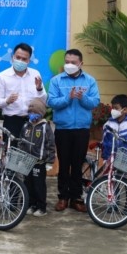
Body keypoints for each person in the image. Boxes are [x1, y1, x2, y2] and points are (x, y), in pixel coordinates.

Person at [47, 48, 100, 213]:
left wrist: (82, 97)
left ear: (81, 63)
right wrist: (68, 98)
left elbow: (94, 102)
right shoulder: (56, 80)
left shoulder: (90, 81)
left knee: (78, 164)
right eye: (67, 62)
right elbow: (51, 102)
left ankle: (76, 198)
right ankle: (63, 197)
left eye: (73, 62)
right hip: (63, 129)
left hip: (82, 129)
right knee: (64, 164)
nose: (69, 65)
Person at [0, 42, 47, 139]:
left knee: (32, 148)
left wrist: (39, 89)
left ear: (29, 60)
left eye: (24, 59)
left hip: (33, 121)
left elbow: (43, 100)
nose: (20, 61)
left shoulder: (35, 74)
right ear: (12, 57)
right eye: (18, 57)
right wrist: (7, 101)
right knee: (11, 148)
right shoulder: (2, 76)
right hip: (12, 122)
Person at [18, 98, 55, 217]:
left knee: (39, 185)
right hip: (27, 161)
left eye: (34, 112)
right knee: (28, 184)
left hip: (39, 162)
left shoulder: (45, 127)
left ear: (40, 114)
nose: (32, 114)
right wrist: (20, 157)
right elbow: (21, 142)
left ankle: (41, 207)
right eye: (30, 112)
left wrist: (49, 161)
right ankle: (31, 204)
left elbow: (50, 145)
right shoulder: (26, 126)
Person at [101, 94, 127, 159]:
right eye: (113, 108)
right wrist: (105, 157)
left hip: (126, 162)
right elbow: (105, 142)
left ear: (125, 110)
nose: (113, 111)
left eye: (116, 108)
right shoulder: (108, 125)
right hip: (110, 160)